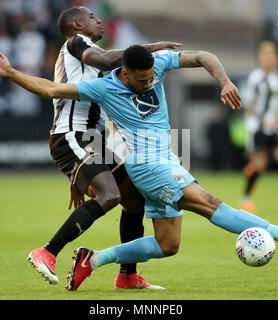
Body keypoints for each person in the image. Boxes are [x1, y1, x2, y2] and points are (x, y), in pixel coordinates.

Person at [0, 44, 278, 292]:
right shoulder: (103, 87)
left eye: (151, 80)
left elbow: (204, 57)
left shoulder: (156, 64)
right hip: (148, 166)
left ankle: (93, 259)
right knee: (209, 204)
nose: (148, 84)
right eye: (141, 81)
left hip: (166, 161)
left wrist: (225, 82)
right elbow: (51, 88)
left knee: (167, 245)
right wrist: (11, 73)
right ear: (125, 72)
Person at [21, 6, 181, 289]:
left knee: (133, 198)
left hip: (93, 141)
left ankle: (128, 276)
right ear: (76, 24)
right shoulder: (76, 43)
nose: (98, 20)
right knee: (110, 195)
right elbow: (108, 60)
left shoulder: (84, 53)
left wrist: (79, 176)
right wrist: (153, 48)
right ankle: (47, 251)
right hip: (73, 136)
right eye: (91, 17)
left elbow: (109, 63)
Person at [241, 41, 278, 212]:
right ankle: (246, 198)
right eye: (266, 55)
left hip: (274, 127)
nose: (269, 58)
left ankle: (252, 169)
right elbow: (250, 105)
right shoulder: (256, 78)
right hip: (258, 127)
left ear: (276, 58)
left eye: (272, 55)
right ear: (260, 59)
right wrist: (263, 119)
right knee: (260, 164)